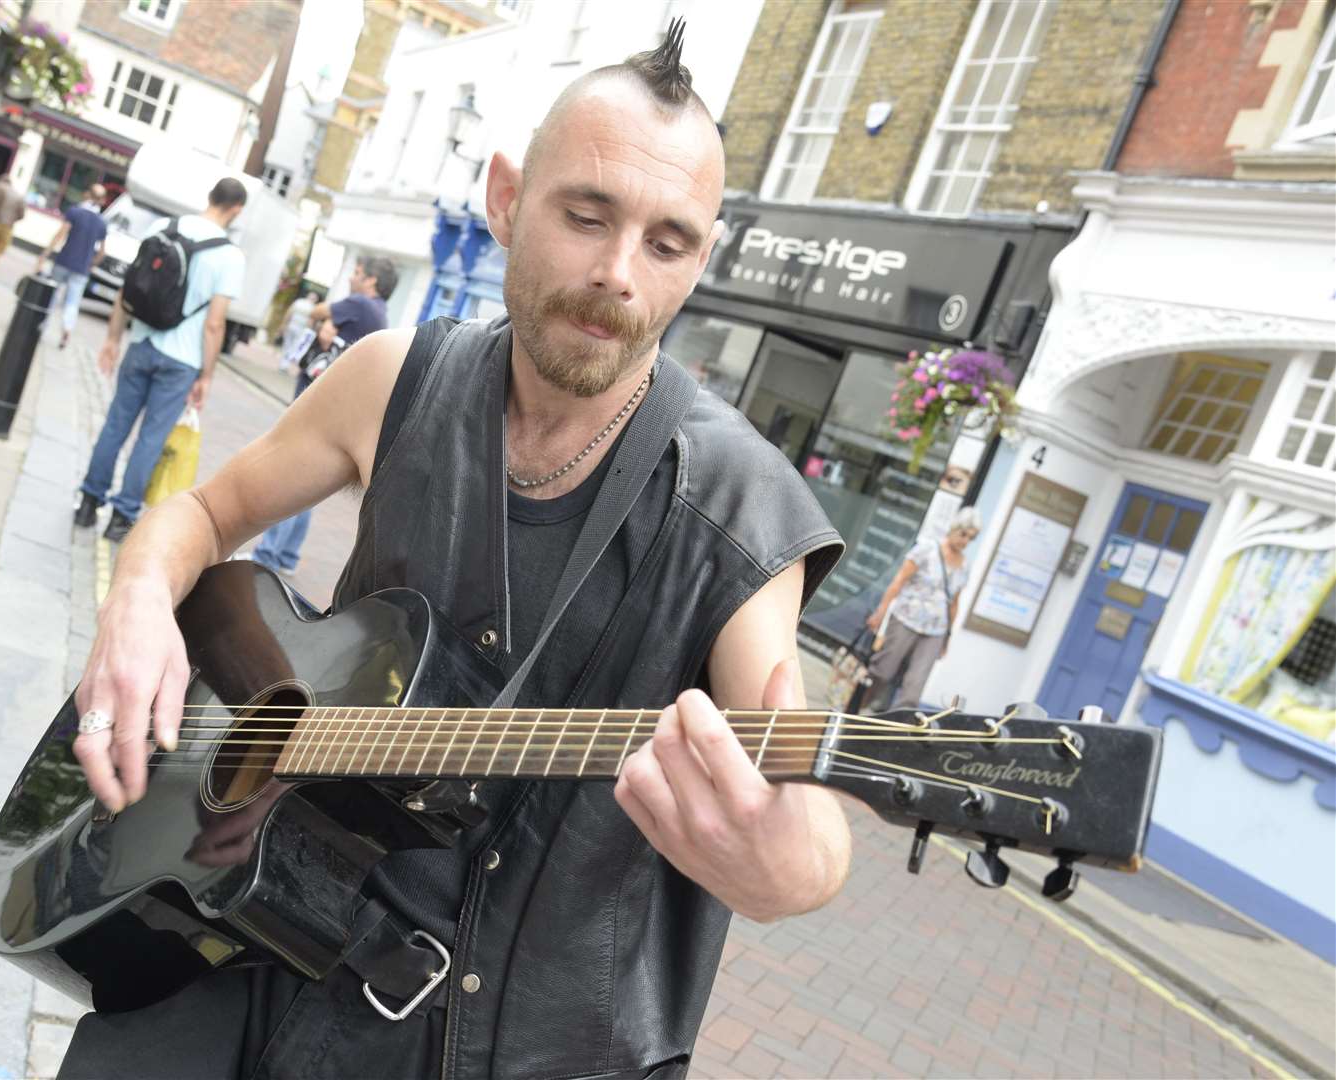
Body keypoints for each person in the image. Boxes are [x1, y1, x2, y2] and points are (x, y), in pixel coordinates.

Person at [60, 23, 851, 1079]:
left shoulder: (745, 513)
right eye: (586, 215)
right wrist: (138, 605)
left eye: (666, 244)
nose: (619, 274)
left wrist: (784, 868)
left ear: (700, 259)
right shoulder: (394, 380)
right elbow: (201, 517)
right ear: (506, 197)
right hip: (258, 960)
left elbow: (801, 803)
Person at [72, 178, 248, 543]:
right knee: (150, 439)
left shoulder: (162, 228)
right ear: (237, 210)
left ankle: (88, 503)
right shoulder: (230, 257)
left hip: (141, 342)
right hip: (181, 362)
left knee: (115, 425)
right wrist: (207, 375)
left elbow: (128, 289)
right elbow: (215, 324)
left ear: (209, 196)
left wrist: (112, 338)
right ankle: (121, 518)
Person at [251, 256, 396, 575]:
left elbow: (316, 311)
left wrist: (327, 319)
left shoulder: (360, 305)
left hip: (321, 402)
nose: (351, 279)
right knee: (307, 480)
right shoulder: (380, 315)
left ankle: (267, 555)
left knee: (291, 476)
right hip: (341, 406)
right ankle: (286, 554)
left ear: (371, 281)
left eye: (357, 273)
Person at [864, 507, 982, 710]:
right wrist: (881, 612)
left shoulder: (964, 567)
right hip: (905, 619)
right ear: (954, 528)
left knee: (914, 687)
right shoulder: (926, 550)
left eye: (970, 538)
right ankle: (856, 705)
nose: (965, 541)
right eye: (963, 534)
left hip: (935, 630)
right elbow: (898, 581)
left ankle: (896, 733)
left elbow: (954, 603)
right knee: (883, 670)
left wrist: (947, 637)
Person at [36, 184, 109, 349]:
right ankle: (67, 330)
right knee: (72, 302)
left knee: (52, 296)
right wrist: (91, 264)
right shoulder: (101, 223)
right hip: (82, 268)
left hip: (64, 261)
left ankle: (42, 326)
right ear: (102, 201)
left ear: (86, 194)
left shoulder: (75, 212)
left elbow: (60, 235)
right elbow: (102, 253)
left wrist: (44, 254)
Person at [278, 290, 319, 369]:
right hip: (298, 328)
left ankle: (284, 364)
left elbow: (289, 313)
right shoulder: (312, 307)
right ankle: (285, 364)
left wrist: (284, 324)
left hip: (294, 327)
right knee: (292, 346)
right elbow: (310, 321)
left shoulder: (299, 302)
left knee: (288, 345)